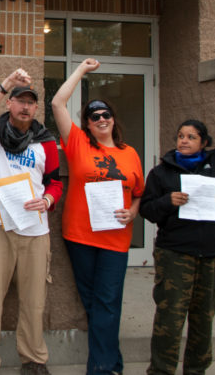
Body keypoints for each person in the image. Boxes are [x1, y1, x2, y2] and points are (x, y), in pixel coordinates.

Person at [141, 89, 215, 375]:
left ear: (203, 142)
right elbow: (147, 210)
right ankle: (161, 370)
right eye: (180, 136)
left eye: (191, 137)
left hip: (213, 255)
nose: (184, 140)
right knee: (170, 318)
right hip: (175, 253)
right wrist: (168, 201)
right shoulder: (162, 172)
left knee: (204, 318)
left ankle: (196, 370)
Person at [51, 59, 145, 375]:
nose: (101, 119)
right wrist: (80, 70)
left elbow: (139, 192)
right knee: (95, 302)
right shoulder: (77, 144)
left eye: (106, 114)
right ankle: (111, 363)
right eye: (94, 116)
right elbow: (57, 102)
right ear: (87, 124)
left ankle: (102, 368)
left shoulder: (130, 153)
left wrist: (132, 212)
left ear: (113, 120)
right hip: (80, 235)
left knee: (105, 302)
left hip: (116, 239)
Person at [0, 69, 63, 375]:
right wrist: (6, 83)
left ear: (36, 109)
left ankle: (34, 360)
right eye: (19, 101)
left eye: (31, 103)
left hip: (34, 230)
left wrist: (48, 200)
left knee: (34, 301)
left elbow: (55, 183)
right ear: (9, 104)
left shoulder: (46, 143)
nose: (25, 107)